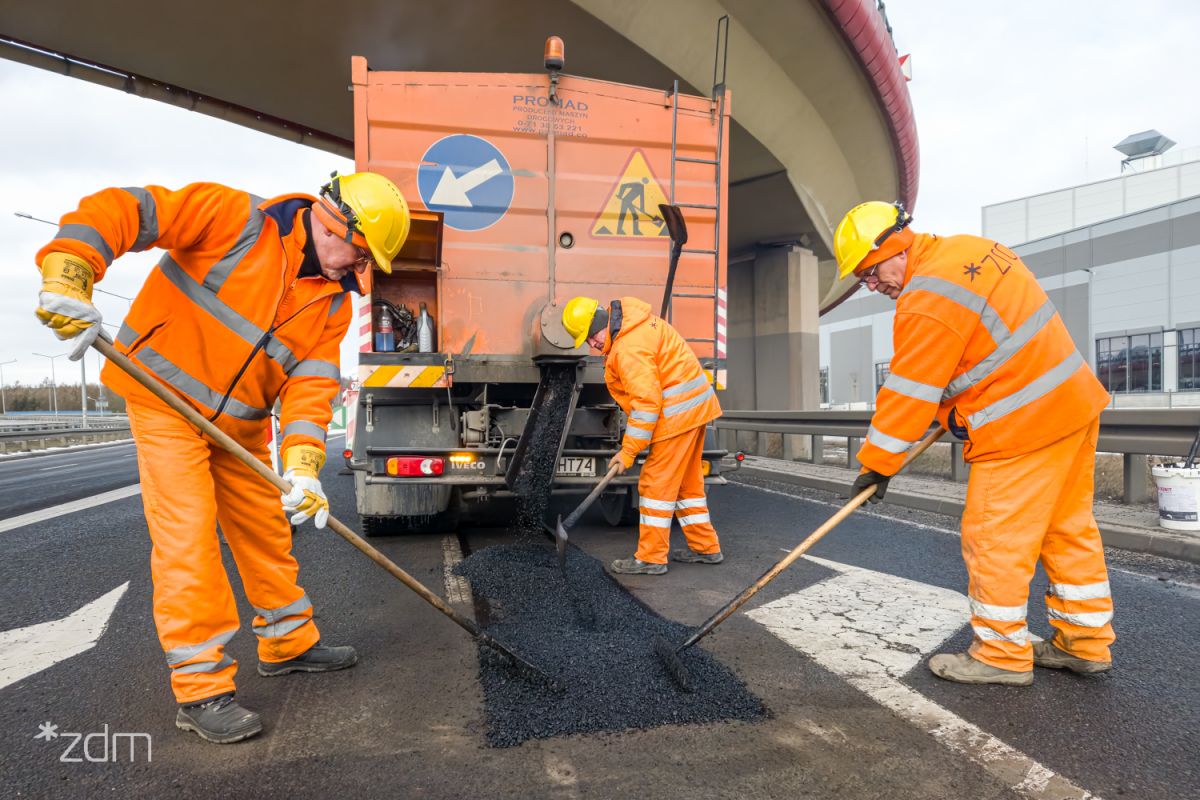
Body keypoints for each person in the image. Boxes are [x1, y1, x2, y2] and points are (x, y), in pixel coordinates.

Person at [34, 172, 411, 742]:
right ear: (332, 223)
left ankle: (288, 642)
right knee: (187, 539)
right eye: (358, 255)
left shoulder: (332, 305)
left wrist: (304, 465)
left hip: (241, 426)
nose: (356, 271)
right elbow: (127, 209)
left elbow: (310, 389)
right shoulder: (235, 219)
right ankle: (202, 687)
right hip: (165, 401)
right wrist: (73, 267)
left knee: (266, 530)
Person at [834, 201, 1115, 686]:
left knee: (993, 541)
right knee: (1067, 530)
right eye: (863, 279)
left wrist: (876, 465)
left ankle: (1000, 655)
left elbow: (909, 393)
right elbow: (986, 350)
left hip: (1022, 428)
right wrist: (960, 409)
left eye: (870, 272)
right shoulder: (974, 250)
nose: (872, 286)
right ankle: (1084, 643)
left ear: (895, 246)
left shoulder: (926, 298)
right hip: (1072, 406)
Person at [562, 295, 723, 575]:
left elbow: (647, 405)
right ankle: (705, 548)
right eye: (587, 342)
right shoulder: (635, 326)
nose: (592, 344)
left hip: (677, 417)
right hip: (695, 410)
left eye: (590, 337)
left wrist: (628, 451)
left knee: (654, 487)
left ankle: (651, 558)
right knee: (687, 485)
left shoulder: (628, 348)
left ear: (600, 323)